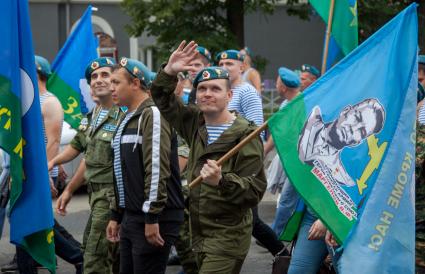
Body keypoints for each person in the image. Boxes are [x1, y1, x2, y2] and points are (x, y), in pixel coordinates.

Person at [151, 40, 267, 274]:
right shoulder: (195, 122)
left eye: (215, 89)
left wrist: (221, 181)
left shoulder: (246, 134)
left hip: (227, 237)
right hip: (195, 233)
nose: (207, 94)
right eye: (202, 89)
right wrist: (169, 71)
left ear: (229, 95)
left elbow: (255, 191)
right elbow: (161, 99)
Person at [105, 57, 184, 274]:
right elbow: (120, 172)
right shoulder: (127, 116)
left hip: (156, 217)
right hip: (132, 216)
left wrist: (152, 217)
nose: (110, 88)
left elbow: (157, 168)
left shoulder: (153, 114)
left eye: (116, 82)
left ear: (135, 83)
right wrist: (116, 215)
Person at [49, 57, 122, 274]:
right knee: (109, 257)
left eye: (105, 75)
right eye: (94, 77)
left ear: (116, 81)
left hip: (113, 198)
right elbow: (78, 149)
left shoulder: (126, 116)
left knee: (94, 259)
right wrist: (53, 163)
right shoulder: (90, 118)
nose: (98, 80)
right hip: (95, 195)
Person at [298, 98, 385, 187]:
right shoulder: (308, 115)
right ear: (345, 111)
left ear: (357, 142)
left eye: (361, 131)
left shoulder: (342, 180)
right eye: (357, 118)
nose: (353, 128)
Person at [216, 49, 264, 129]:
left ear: (241, 68)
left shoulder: (248, 92)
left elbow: (256, 131)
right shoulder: (219, 91)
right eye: (221, 64)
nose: (223, 68)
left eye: (229, 64)